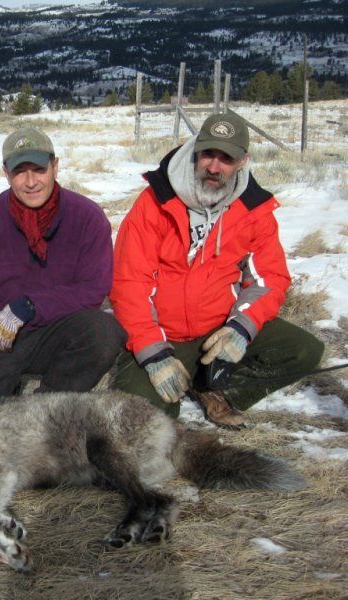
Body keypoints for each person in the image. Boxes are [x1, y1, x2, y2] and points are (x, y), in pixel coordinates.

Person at [110, 112, 324, 428]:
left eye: (226, 158)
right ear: (196, 152)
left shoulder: (254, 209)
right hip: (165, 335)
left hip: (220, 331)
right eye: (208, 154)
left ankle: (217, 389)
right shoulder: (155, 202)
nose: (214, 166)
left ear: (242, 161)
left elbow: (268, 279)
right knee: (141, 412)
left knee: (304, 350)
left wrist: (242, 326)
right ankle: (176, 390)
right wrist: (153, 354)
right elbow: (129, 283)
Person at [0, 126, 125, 397]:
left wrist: (30, 307)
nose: (31, 181)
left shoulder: (87, 218)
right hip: (1, 340)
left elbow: (93, 289)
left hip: (60, 331)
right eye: (19, 172)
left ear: (55, 167)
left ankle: (46, 408)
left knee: (104, 333)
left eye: (38, 169)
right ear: (5, 174)